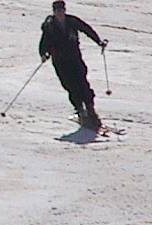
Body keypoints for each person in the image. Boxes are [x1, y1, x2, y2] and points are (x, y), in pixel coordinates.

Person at [39, 1, 108, 131]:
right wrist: (43, 53)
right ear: (54, 12)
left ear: (64, 10)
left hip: (75, 58)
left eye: (61, 10)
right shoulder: (49, 25)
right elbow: (44, 42)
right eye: (57, 10)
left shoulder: (72, 21)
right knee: (70, 85)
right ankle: (80, 110)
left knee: (82, 82)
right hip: (60, 61)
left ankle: (90, 108)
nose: (59, 13)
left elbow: (86, 29)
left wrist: (98, 41)